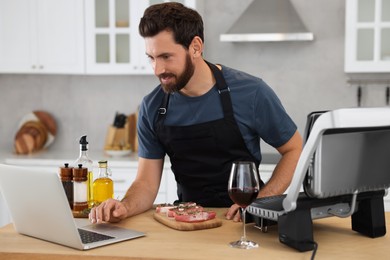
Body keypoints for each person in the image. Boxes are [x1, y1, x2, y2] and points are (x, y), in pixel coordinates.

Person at [89, 2, 302, 223]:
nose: (157, 69)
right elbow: (146, 184)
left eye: (166, 57)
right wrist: (124, 206)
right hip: (187, 223)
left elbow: (294, 149)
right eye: (151, 58)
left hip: (244, 223)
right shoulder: (152, 107)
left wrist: (261, 203)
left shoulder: (251, 92)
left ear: (196, 47)